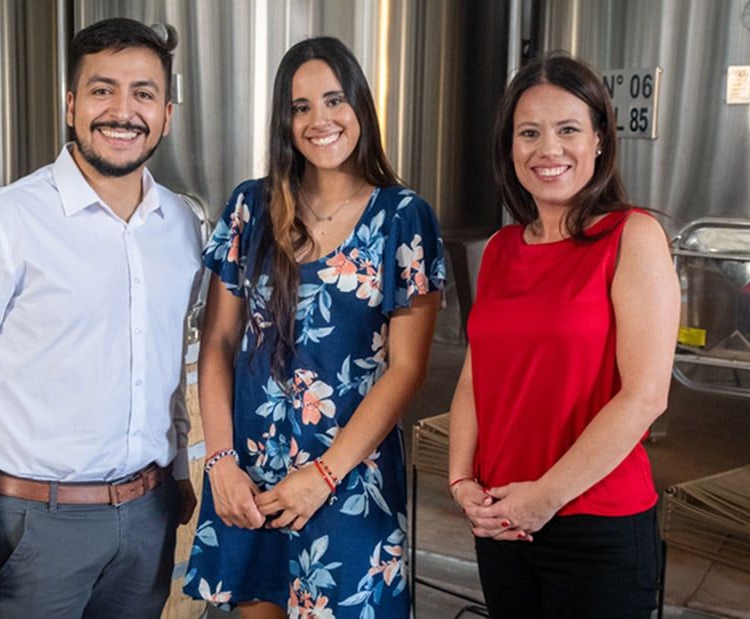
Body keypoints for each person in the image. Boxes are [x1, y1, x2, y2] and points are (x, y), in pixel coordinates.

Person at [0, 18, 201, 617]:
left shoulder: (185, 226)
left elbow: (177, 362)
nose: (123, 111)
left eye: (143, 93)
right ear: (70, 105)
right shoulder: (3, 222)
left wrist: (178, 469)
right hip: (32, 524)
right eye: (101, 90)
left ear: (166, 113)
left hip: (149, 516)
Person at [183, 37, 445, 618]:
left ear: (360, 108)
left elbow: (408, 368)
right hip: (250, 475)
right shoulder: (250, 208)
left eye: (333, 100)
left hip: (351, 479)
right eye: (301, 107)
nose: (318, 120)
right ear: (284, 121)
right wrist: (220, 462)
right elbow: (219, 342)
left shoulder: (403, 218)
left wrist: (323, 475)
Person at [446, 52, 680, 618]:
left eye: (568, 129)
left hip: (597, 522)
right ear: (510, 148)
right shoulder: (501, 250)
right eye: (529, 133)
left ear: (599, 139)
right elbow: (478, 376)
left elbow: (646, 394)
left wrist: (544, 498)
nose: (548, 149)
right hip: (502, 519)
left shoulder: (634, 236)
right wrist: (460, 481)